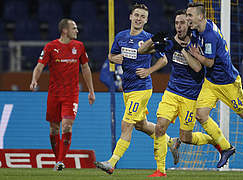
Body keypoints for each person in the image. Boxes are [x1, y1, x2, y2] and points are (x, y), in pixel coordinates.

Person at [186, 2, 243, 166]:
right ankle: (226, 148)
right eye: (187, 15)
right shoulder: (197, 29)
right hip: (211, 82)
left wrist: (195, 54)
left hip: (228, 82)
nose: (187, 19)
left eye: (190, 15)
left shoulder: (210, 35)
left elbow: (209, 62)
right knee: (201, 115)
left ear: (200, 16)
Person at [138, 10, 228, 177]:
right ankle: (161, 170)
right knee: (159, 127)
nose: (179, 26)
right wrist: (152, 39)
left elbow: (198, 68)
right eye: (176, 23)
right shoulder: (170, 42)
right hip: (172, 93)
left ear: (188, 24)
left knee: (186, 137)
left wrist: (183, 50)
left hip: (191, 97)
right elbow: (142, 51)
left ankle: (214, 141)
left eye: (182, 23)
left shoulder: (197, 41)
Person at [94, 3, 179, 175]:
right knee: (141, 125)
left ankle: (111, 163)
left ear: (146, 20)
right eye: (137, 15)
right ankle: (171, 141)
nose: (139, 19)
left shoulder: (149, 39)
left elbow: (163, 61)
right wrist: (113, 58)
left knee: (127, 125)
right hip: (128, 88)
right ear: (130, 17)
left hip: (142, 88)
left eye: (143, 17)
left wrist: (149, 70)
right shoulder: (121, 36)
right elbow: (111, 55)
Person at [29, 18, 96, 171]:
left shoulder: (79, 47)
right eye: (74, 28)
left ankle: (60, 161)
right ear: (65, 30)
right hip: (54, 94)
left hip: (71, 94)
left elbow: (85, 68)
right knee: (54, 128)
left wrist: (91, 91)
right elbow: (39, 67)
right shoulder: (51, 47)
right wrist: (34, 80)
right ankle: (57, 159)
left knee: (67, 126)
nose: (77, 31)